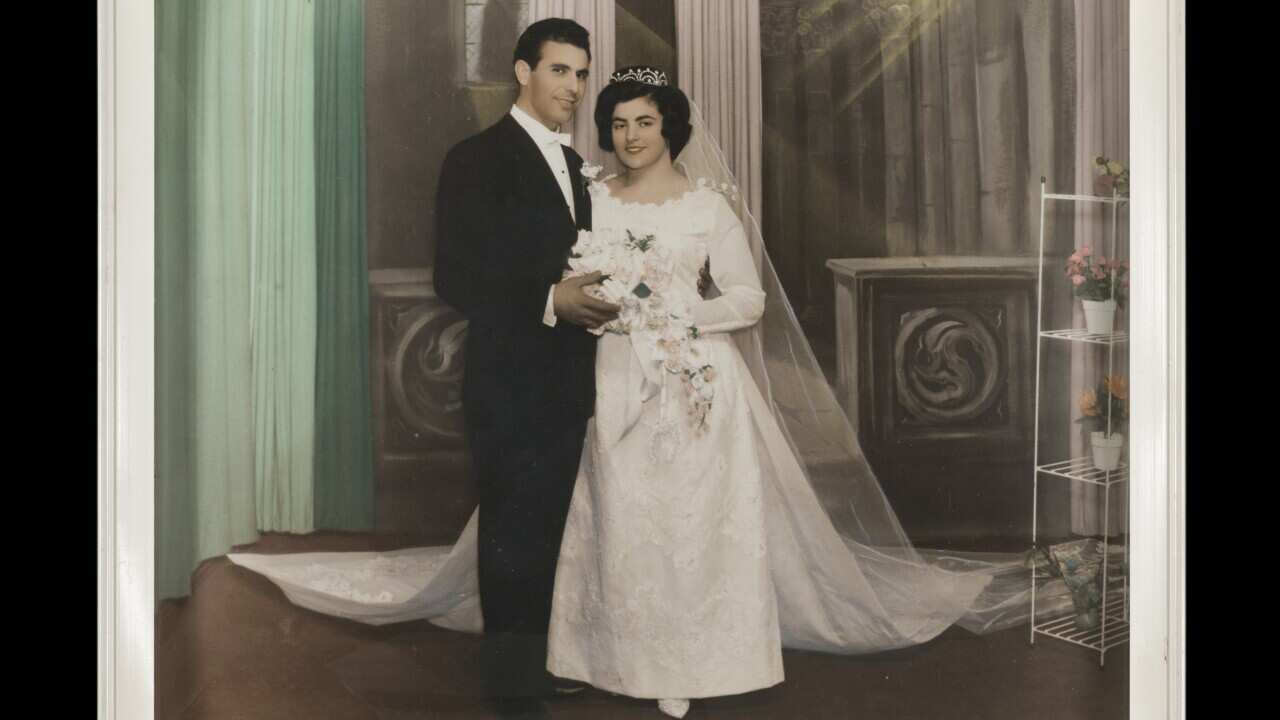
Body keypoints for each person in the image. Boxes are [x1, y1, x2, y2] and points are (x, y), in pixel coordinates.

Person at [229, 64, 1031, 720]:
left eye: (643, 122)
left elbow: (747, 300)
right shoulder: (591, 193)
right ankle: (598, 651)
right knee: (616, 512)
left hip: (693, 379)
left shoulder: (708, 207)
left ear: (670, 126)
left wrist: (677, 312)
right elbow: (552, 272)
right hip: (607, 370)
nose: (628, 135)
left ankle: (692, 660)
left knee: (692, 522)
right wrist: (606, 309)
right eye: (616, 121)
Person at [431, 17, 618, 713]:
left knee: (544, 532)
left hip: (567, 381)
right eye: (559, 70)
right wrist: (549, 300)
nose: (573, 86)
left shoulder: (574, 166)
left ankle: (531, 669)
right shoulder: (475, 158)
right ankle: (509, 690)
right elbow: (453, 276)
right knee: (511, 531)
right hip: (508, 382)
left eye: (579, 72)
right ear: (522, 71)